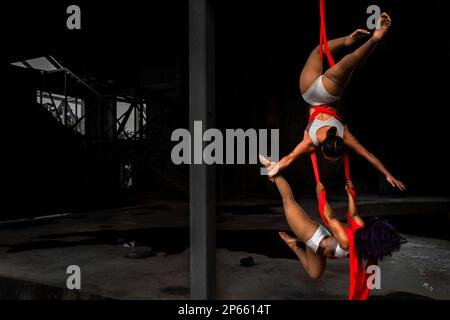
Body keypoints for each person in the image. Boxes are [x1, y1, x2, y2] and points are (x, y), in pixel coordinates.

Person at [268, 13, 405, 191]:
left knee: (348, 64)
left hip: (329, 93)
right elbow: (289, 158)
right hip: (308, 91)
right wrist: (274, 169)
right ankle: (361, 39)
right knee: (321, 52)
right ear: (322, 149)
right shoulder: (311, 141)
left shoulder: (344, 134)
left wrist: (388, 174)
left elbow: (368, 155)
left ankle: (368, 39)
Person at [260, 155, 402, 279]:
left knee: (314, 274)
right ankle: (273, 170)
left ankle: (294, 245)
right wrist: (325, 195)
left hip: (318, 247)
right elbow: (330, 218)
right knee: (288, 200)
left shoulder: (363, 243)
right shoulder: (348, 240)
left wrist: (349, 195)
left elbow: (353, 215)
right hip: (311, 234)